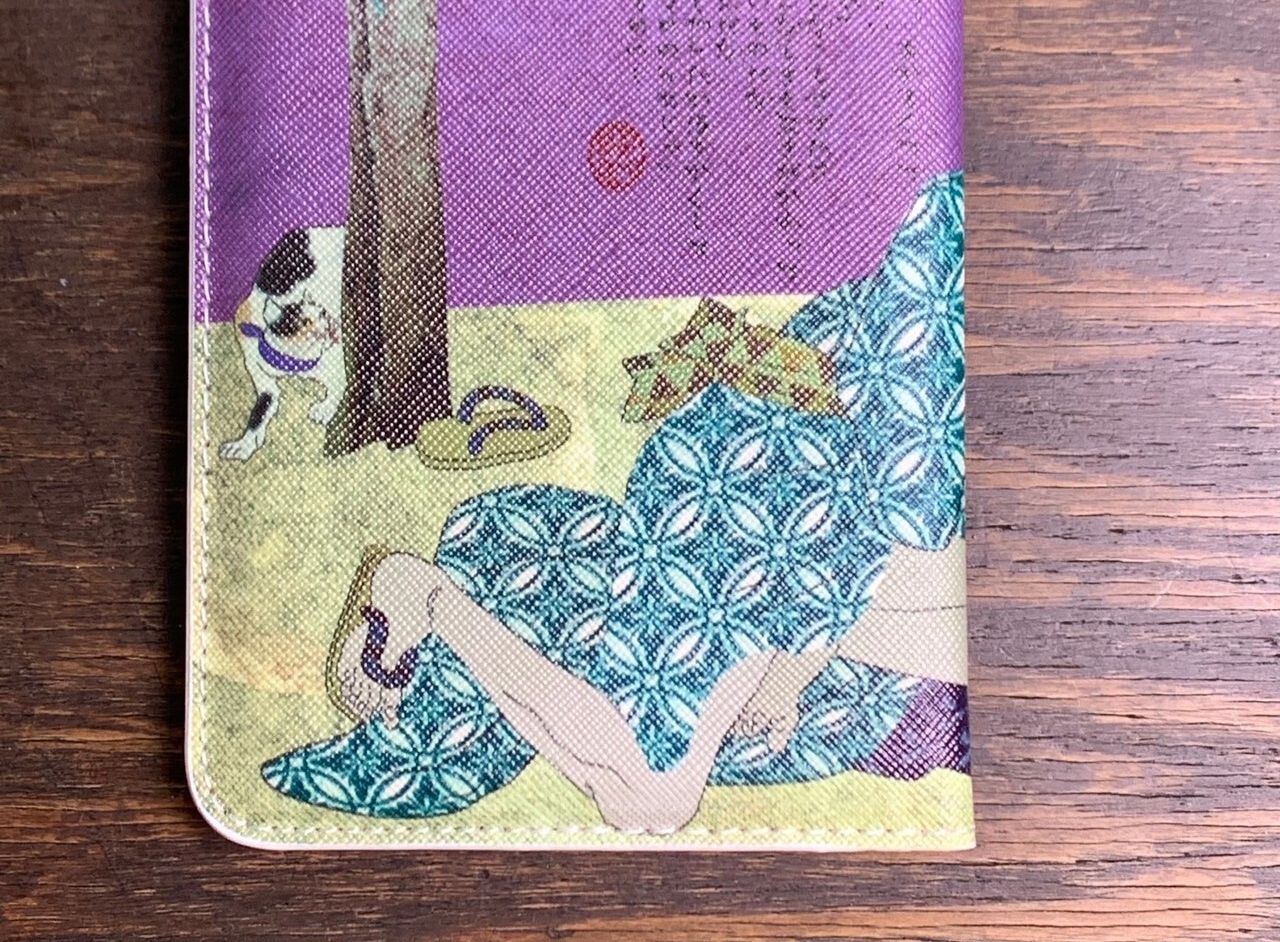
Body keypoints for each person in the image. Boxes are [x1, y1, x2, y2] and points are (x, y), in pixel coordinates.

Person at [263, 171, 967, 832]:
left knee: (623, 734)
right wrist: (794, 661)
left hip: (778, 519)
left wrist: (799, 660)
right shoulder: (938, 281)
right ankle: (431, 597)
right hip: (772, 513)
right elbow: (905, 517)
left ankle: (438, 602)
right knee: (649, 795)